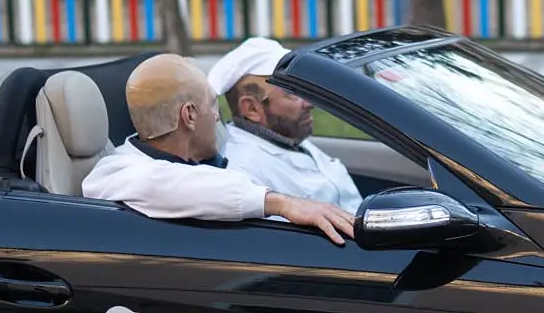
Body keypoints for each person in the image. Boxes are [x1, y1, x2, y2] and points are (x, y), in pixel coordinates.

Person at [81, 54, 354, 244]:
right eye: (212, 104)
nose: (216, 116)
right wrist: (282, 204)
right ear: (188, 115)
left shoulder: (194, 163)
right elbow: (161, 184)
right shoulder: (117, 172)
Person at [208, 37, 363, 213]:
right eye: (292, 93)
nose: (309, 103)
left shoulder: (287, 137)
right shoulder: (244, 172)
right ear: (252, 108)